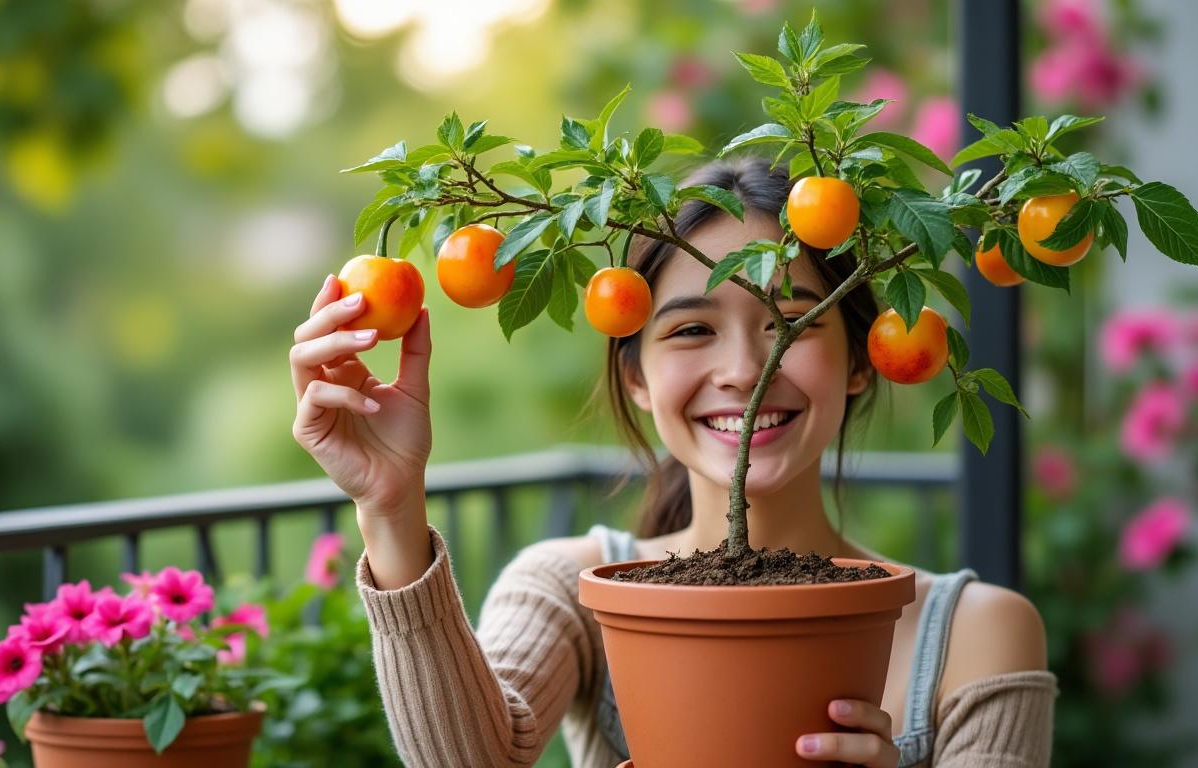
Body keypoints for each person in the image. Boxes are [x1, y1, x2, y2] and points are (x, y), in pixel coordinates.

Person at [290, 157, 1058, 768]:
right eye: (691, 330)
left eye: (793, 322)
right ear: (635, 374)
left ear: (860, 360)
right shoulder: (575, 593)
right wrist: (391, 506)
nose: (744, 370)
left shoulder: (974, 633)